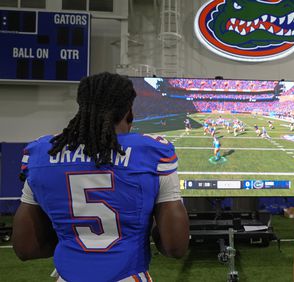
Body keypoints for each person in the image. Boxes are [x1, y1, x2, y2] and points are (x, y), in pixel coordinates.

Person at [12, 72, 190, 282]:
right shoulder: (151, 153)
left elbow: (26, 248)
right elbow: (175, 246)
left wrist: (70, 238)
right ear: (130, 114)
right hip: (128, 276)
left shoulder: (41, 154)